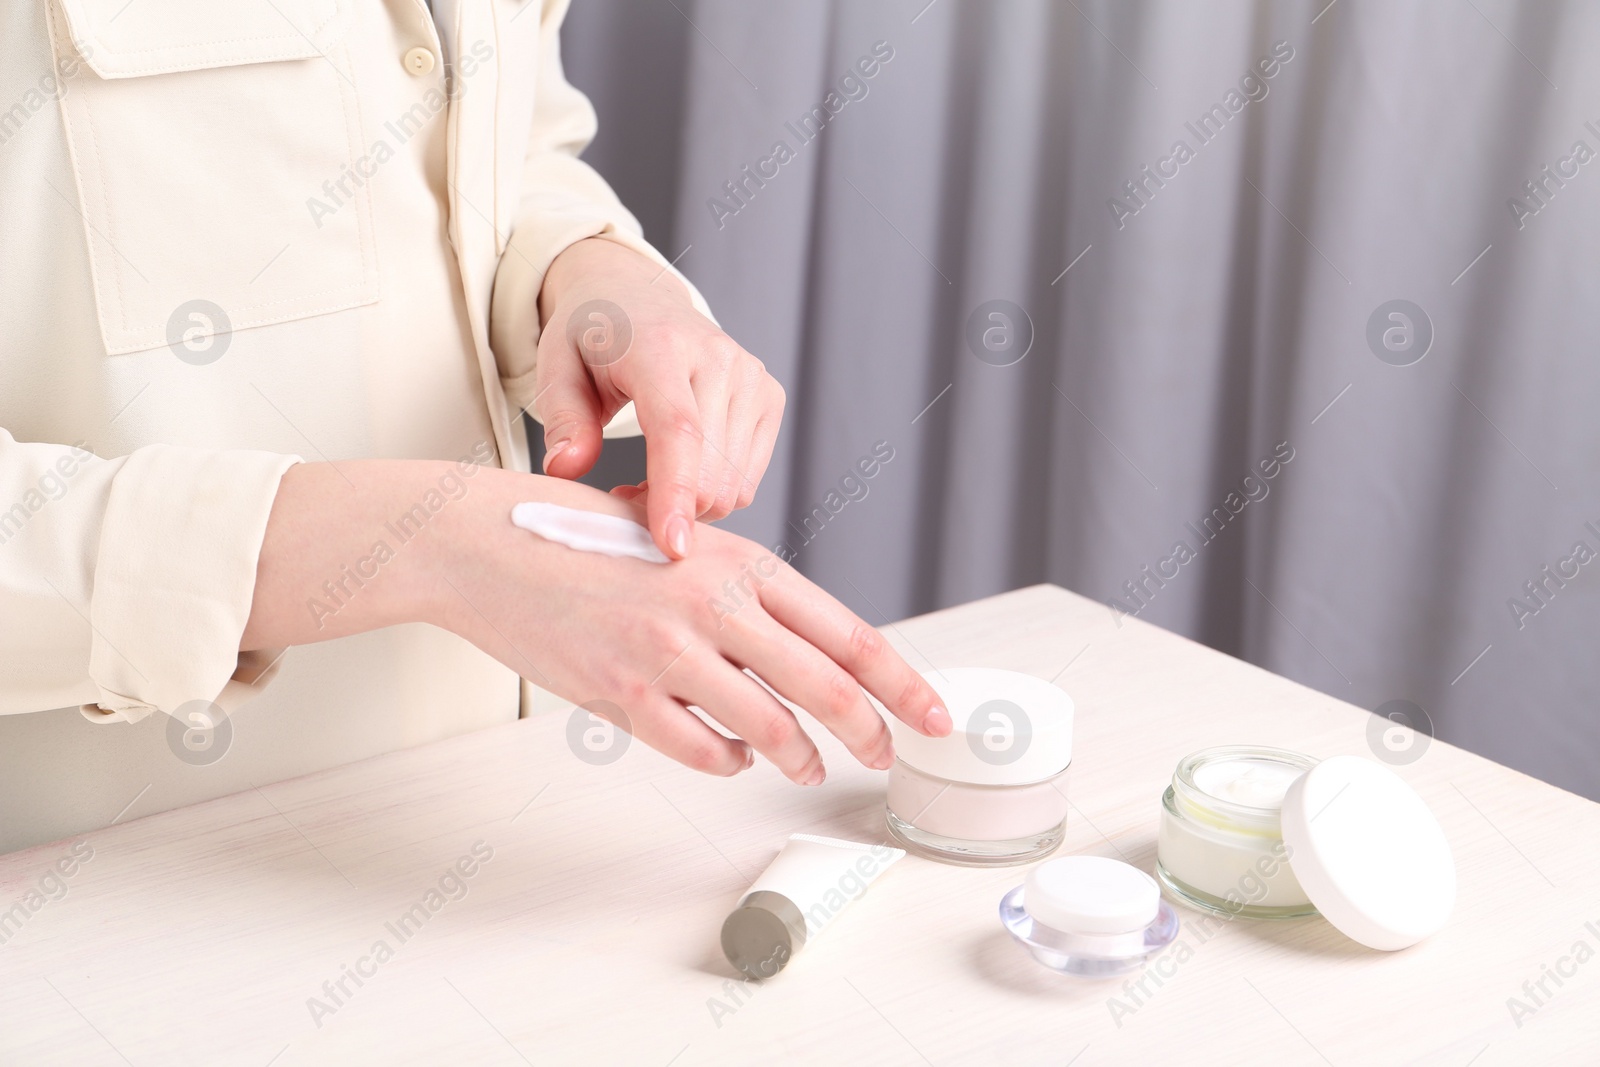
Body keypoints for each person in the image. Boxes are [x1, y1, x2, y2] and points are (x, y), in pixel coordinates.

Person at [0, 0, 948, 852]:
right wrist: (432, 546)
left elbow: (500, 143)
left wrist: (585, 269)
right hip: (125, 880)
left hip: (493, 824)